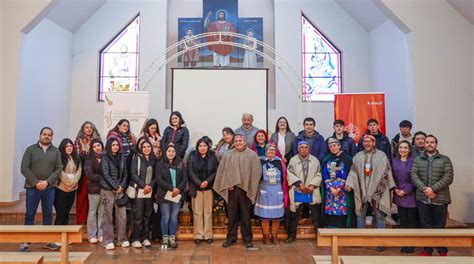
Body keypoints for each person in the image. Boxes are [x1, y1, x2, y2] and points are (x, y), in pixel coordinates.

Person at [346, 135, 395, 252]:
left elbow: (387, 172)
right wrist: (349, 183)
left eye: (369, 141)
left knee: (379, 216)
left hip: (377, 191)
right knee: (360, 216)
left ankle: (380, 241)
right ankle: (360, 239)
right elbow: (353, 172)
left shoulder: (381, 156)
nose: (367, 143)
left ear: (374, 143)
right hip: (361, 189)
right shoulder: (358, 156)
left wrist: (390, 187)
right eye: (365, 141)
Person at [213, 134, 262, 248]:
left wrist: (250, 186)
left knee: (246, 216)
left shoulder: (252, 155)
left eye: (240, 140)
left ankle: (247, 239)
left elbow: (257, 172)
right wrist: (227, 184)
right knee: (232, 216)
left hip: (246, 190)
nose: (238, 143)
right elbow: (223, 171)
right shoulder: (228, 155)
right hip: (232, 190)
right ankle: (231, 237)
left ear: (245, 141)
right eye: (236, 141)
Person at [19, 127, 62, 252]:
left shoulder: (56, 151)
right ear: (40, 135)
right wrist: (36, 182)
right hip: (32, 187)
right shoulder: (30, 149)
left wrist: (47, 182)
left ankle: (48, 240)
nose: (46, 136)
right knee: (30, 214)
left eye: (49, 135)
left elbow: (59, 168)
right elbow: (24, 168)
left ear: (52, 137)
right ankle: (25, 242)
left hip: (49, 188)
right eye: (44, 134)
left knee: (48, 214)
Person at [411, 135, 453, 256]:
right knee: (425, 225)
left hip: (440, 198)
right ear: (424, 144)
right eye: (427, 142)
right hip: (423, 199)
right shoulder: (418, 159)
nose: (429, 144)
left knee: (440, 226)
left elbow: (448, 177)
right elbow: (414, 175)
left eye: (432, 142)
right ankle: (427, 249)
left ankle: (442, 249)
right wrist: (425, 190)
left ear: (436, 144)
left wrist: (432, 189)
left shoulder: (445, 159)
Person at [285, 141, 322, 243]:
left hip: (311, 190)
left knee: (315, 215)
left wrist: (312, 185)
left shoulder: (315, 160)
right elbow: (289, 173)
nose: (304, 149)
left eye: (306, 147)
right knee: (294, 215)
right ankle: (291, 236)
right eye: (302, 147)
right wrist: (300, 184)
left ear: (309, 149)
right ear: (298, 149)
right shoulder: (293, 160)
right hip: (298, 190)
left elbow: (319, 174)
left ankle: (319, 236)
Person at [153, 144, 187, 249]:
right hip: (164, 194)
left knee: (173, 217)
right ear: (165, 152)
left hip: (177, 195)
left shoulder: (180, 163)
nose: (171, 153)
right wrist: (172, 189)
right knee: (165, 217)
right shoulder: (160, 164)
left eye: (173, 151)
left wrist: (177, 189)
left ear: (175, 153)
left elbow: (184, 179)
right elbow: (159, 180)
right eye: (169, 151)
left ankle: (172, 239)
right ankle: (165, 239)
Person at [254, 144, 288, 244]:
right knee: (265, 215)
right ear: (265, 151)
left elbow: (284, 176)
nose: (271, 152)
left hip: (277, 189)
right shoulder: (260, 161)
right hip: (264, 188)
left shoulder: (280, 162)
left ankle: (274, 235)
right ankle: (265, 235)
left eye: (273, 150)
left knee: (277, 215)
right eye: (269, 150)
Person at [187, 137, 218, 244]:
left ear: (208, 147)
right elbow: (190, 171)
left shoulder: (213, 157)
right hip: (196, 188)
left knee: (208, 212)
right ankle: (198, 235)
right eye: (200, 146)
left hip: (209, 188)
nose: (202, 148)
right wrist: (199, 183)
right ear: (197, 146)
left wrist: (207, 182)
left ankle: (208, 234)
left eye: (204, 146)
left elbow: (215, 171)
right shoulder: (192, 156)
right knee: (197, 212)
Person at [100, 138, 129, 250]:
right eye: (113, 145)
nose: (115, 147)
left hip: (120, 190)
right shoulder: (105, 158)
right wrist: (115, 187)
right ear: (109, 146)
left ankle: (122, 239)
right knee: (107, 215)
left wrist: (121, 186)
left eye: (117, 145)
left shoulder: (122, 157)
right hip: (108, 190)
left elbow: (126, 174)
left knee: (122, 215)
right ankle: (108, 240)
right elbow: (105, 175)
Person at [321, 138, 354, 228]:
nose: (333, 148)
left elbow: (347, 173)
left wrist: (339, 188)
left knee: (342, 208)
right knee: (331, 207)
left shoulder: (347, 158)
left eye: (334, 146)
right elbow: (325, 173)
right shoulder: (327, 159)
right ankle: (331, 226)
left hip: (342, 189)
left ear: (339, 146)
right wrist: (331, 188)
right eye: (330, 147)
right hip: (330, 189)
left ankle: (342, 227)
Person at [130, 139, 157, 248]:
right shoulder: (137, 159)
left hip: (149, 191)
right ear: (141, 148)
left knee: (147, 215)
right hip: (139, 190)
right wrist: (143, 185)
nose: (147, 149)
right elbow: (133, 174)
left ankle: (145, 237)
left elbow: (157, 176)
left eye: (148, 147)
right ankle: (136, 238)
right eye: (144, 147)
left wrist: (150, 186)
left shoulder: (154, 159)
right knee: (138, 215)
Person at [74, 121, 101, 225]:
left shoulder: (98, 140)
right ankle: (81, 219)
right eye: (86, 127)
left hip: (96, 171)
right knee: (82, 196)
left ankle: (92, 220)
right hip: (84, 171)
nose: (89, 129)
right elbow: (77, 157)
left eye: (91, 127)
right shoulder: (78, 141)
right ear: (83, 129)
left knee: (94, 196)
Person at [392, 140, 417, 254]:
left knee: (411, 221)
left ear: (409, 149)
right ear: (397, 149)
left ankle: (411, 244)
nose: (403, 149)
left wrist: (405, 191)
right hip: (398, 194)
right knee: (403, 221)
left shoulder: (414, 161)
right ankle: (405, 243)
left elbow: (415, 178)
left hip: (410, 194)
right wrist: (395, 189)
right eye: (401, 147)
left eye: (405, 148)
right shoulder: (394, 161)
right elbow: (391, 176)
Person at [55, 139, 82, 226]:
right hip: (61, 188)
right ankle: (56, 236)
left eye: (70, 146)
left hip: (73, 188)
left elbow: (79, 170)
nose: (69, 148)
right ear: (63, 148)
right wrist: (69, 183)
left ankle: (64, 236)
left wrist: (74, 182)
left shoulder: (76, 157)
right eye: (67, 146)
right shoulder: (59, 157)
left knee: (67, 212)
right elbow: (60, 172)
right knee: (61, 212)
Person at [84, 138, 105, 244]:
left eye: (99, 145)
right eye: (95, 146)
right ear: (92, 148)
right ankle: (91, 235)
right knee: (92, 212)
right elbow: (89, 175)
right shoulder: (89, 159)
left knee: (102, 212)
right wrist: (103, 178)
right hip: (94, 189)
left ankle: (101, 234)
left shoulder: (105, 157)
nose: (98, 147)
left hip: (105, 189)